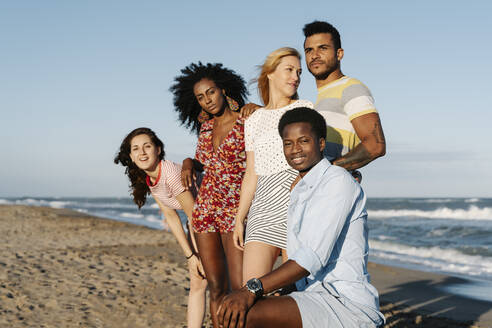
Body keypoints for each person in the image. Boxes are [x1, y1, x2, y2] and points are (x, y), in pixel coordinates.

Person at [218, 107, 384, 328]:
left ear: (321, 144)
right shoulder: (299, 190)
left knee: (243, 314)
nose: (295, 149)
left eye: (304, 141)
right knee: (232, 310)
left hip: (346, 303)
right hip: (312, 296)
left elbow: (309, 259)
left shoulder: (337, 181)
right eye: (288, 143)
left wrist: (252, 288)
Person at [169, 62, 247, 328]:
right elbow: (204, 162)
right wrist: (189, 162)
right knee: (216, 286)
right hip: (205, 212)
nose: (207, 100)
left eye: (211, 92)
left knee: (239, 287)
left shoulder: (247, 121)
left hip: (234, 211)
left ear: (223, 90)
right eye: (201, 97)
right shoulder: (205, 128)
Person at [233, 47, 314, 285]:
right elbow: (251, 174)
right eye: (289, 70)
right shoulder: (254, 120)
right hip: (263, 210)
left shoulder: (305, 109)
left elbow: (314, 160)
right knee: (252, 289)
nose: (296, 77)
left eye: (299, 72)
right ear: (270, 73)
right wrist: (240, 218)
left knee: (301, 293)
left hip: (297, 206)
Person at [113, 127, 207, 328]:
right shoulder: (151, 178)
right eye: (136, 149)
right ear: (131, 156)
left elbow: (195, 216)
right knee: (198, 282)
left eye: (147, 146)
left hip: (215, 220)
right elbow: (171, 217)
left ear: (158, 149)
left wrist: (196, 255)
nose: (142, 152)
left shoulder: (171, 173)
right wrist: (190, 256)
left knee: (211, 280)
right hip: (200, 222)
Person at [303, 21, 386, 179]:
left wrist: (329, 171)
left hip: (332, 189)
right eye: (309, 50)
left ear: (339, 54)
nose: (314, 55)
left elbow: (376, 145)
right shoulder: (320, 97)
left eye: (323, 48)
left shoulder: (351, 88)